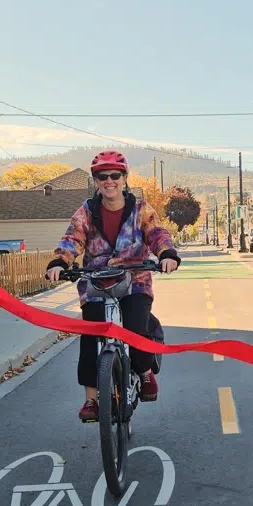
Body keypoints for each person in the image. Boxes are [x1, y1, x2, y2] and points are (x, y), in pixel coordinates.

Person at [46, 151, 181, 421]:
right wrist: (59, 261)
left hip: (135, 280)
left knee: (135, 328)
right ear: (96, 181)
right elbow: (72, 238)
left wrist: (166, 254)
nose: (109, 181)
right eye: (102, 176)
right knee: (90, 337)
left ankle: (144, 374)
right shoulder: (87, 211)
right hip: (96, 283)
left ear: (124, 178)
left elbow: (157, 234)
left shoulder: (140, 208)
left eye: (115, 175)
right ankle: (92, 400)